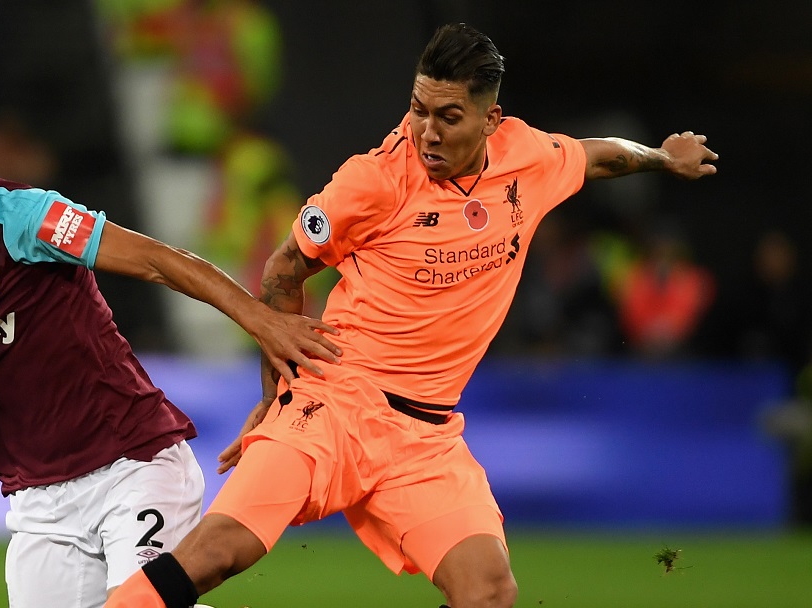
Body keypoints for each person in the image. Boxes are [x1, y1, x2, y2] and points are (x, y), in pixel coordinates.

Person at [104, 22, 718, 608]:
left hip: (425, 437)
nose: (427, 131)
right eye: (419, 109)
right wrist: (278, 391)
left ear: (490, 121)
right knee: (219, 552)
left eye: (449, 117)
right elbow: (283, 269)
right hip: (336, 404)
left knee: (489, 592)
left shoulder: (525, 158)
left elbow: (597, 157)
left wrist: (664, 158)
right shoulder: (372, 182)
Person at [0, 99, 341, 608]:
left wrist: (261, 319)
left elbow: (155, 259)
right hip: (39, 502)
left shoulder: (24, 217)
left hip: (133, 464)